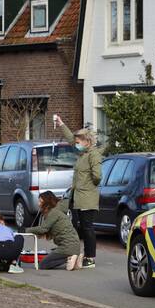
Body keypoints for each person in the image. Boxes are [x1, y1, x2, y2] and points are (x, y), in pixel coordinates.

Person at [53, 114, 101, 269]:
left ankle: (90, 257)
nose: (77, 143)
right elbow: (70, 139)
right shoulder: (82, 153)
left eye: (80, 141)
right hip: (77, 198)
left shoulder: (93, 155)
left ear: (87, 142)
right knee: (75, 226)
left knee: (87, 227)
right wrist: (61, 123)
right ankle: (74, 252)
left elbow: (97, 176)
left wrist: (88, 184)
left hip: (87, 197)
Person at [27, 191, 82, 270]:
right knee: (51, 257)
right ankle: (75, 257)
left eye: (40, 201)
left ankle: (69, 258)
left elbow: (43, 229)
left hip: (67, 247)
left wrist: (26, 230)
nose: (38, 204)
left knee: (43, 265)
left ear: (47, 202)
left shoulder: (52, 213)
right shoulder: (56, 211)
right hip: (74, 245)